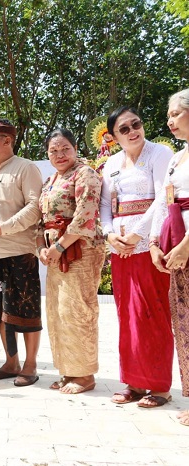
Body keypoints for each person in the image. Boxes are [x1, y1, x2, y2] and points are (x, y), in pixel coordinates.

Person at [101, 107, 173, 407]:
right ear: (114, 137)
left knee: (152, 313)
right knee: (127, 315)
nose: (133, 132)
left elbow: (162, 197)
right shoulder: (112, 164)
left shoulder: (160, 154)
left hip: (149, 247)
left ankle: (158, 387)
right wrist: (109, 234)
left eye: (136, 124)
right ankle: (133, 381)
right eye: (124, 129)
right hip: (121, 249)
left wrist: (138, 234)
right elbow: (106, 203)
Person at [0, 120, 43, 387]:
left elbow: (35, 207)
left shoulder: (26, 168)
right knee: (0, 311)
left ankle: (30, 365)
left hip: (20, 253)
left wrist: (3, 228)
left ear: (7, 140)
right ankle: (10, 362)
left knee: (26, 311)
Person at [37, 128, 105, 395]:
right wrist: (43, 248)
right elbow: (42, 219)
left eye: (65, 148)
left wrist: (58, 246)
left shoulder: (84, 173)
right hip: (56, 252)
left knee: (79, 311)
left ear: (75, 149)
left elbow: (85, 214)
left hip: (81, 251)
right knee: (59, 312)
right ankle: (68, 370)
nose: (60, 154)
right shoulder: (51, 179)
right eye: (54, 150)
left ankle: (85, 374)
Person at [150, 88, 189, 425]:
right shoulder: (177, 158)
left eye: (176, 113)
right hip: (174, 242)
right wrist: (153, 242)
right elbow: (164, 202)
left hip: (187, 242)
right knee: (184, 321)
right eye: (169, 115)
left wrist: (188, 243)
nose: (170, 120)